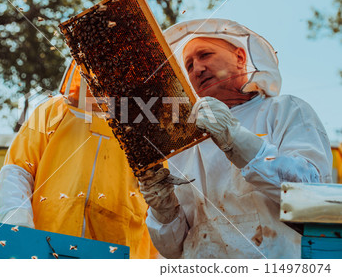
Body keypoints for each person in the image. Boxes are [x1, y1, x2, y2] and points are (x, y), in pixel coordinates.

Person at [139, 18, 332, 259]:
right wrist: (163, 211)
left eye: (205, 55)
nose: (197, 69)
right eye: (188, 66)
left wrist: (236, 139)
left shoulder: (286, 110)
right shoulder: (185, 146)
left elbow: (314, 201)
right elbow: (171, 249)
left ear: (240, 57)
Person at [0, 61, 158, 259]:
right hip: (47, 249)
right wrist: (20, 227)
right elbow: (17, 171)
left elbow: (159, 207)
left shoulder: (146, 131)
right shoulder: (52, 111)